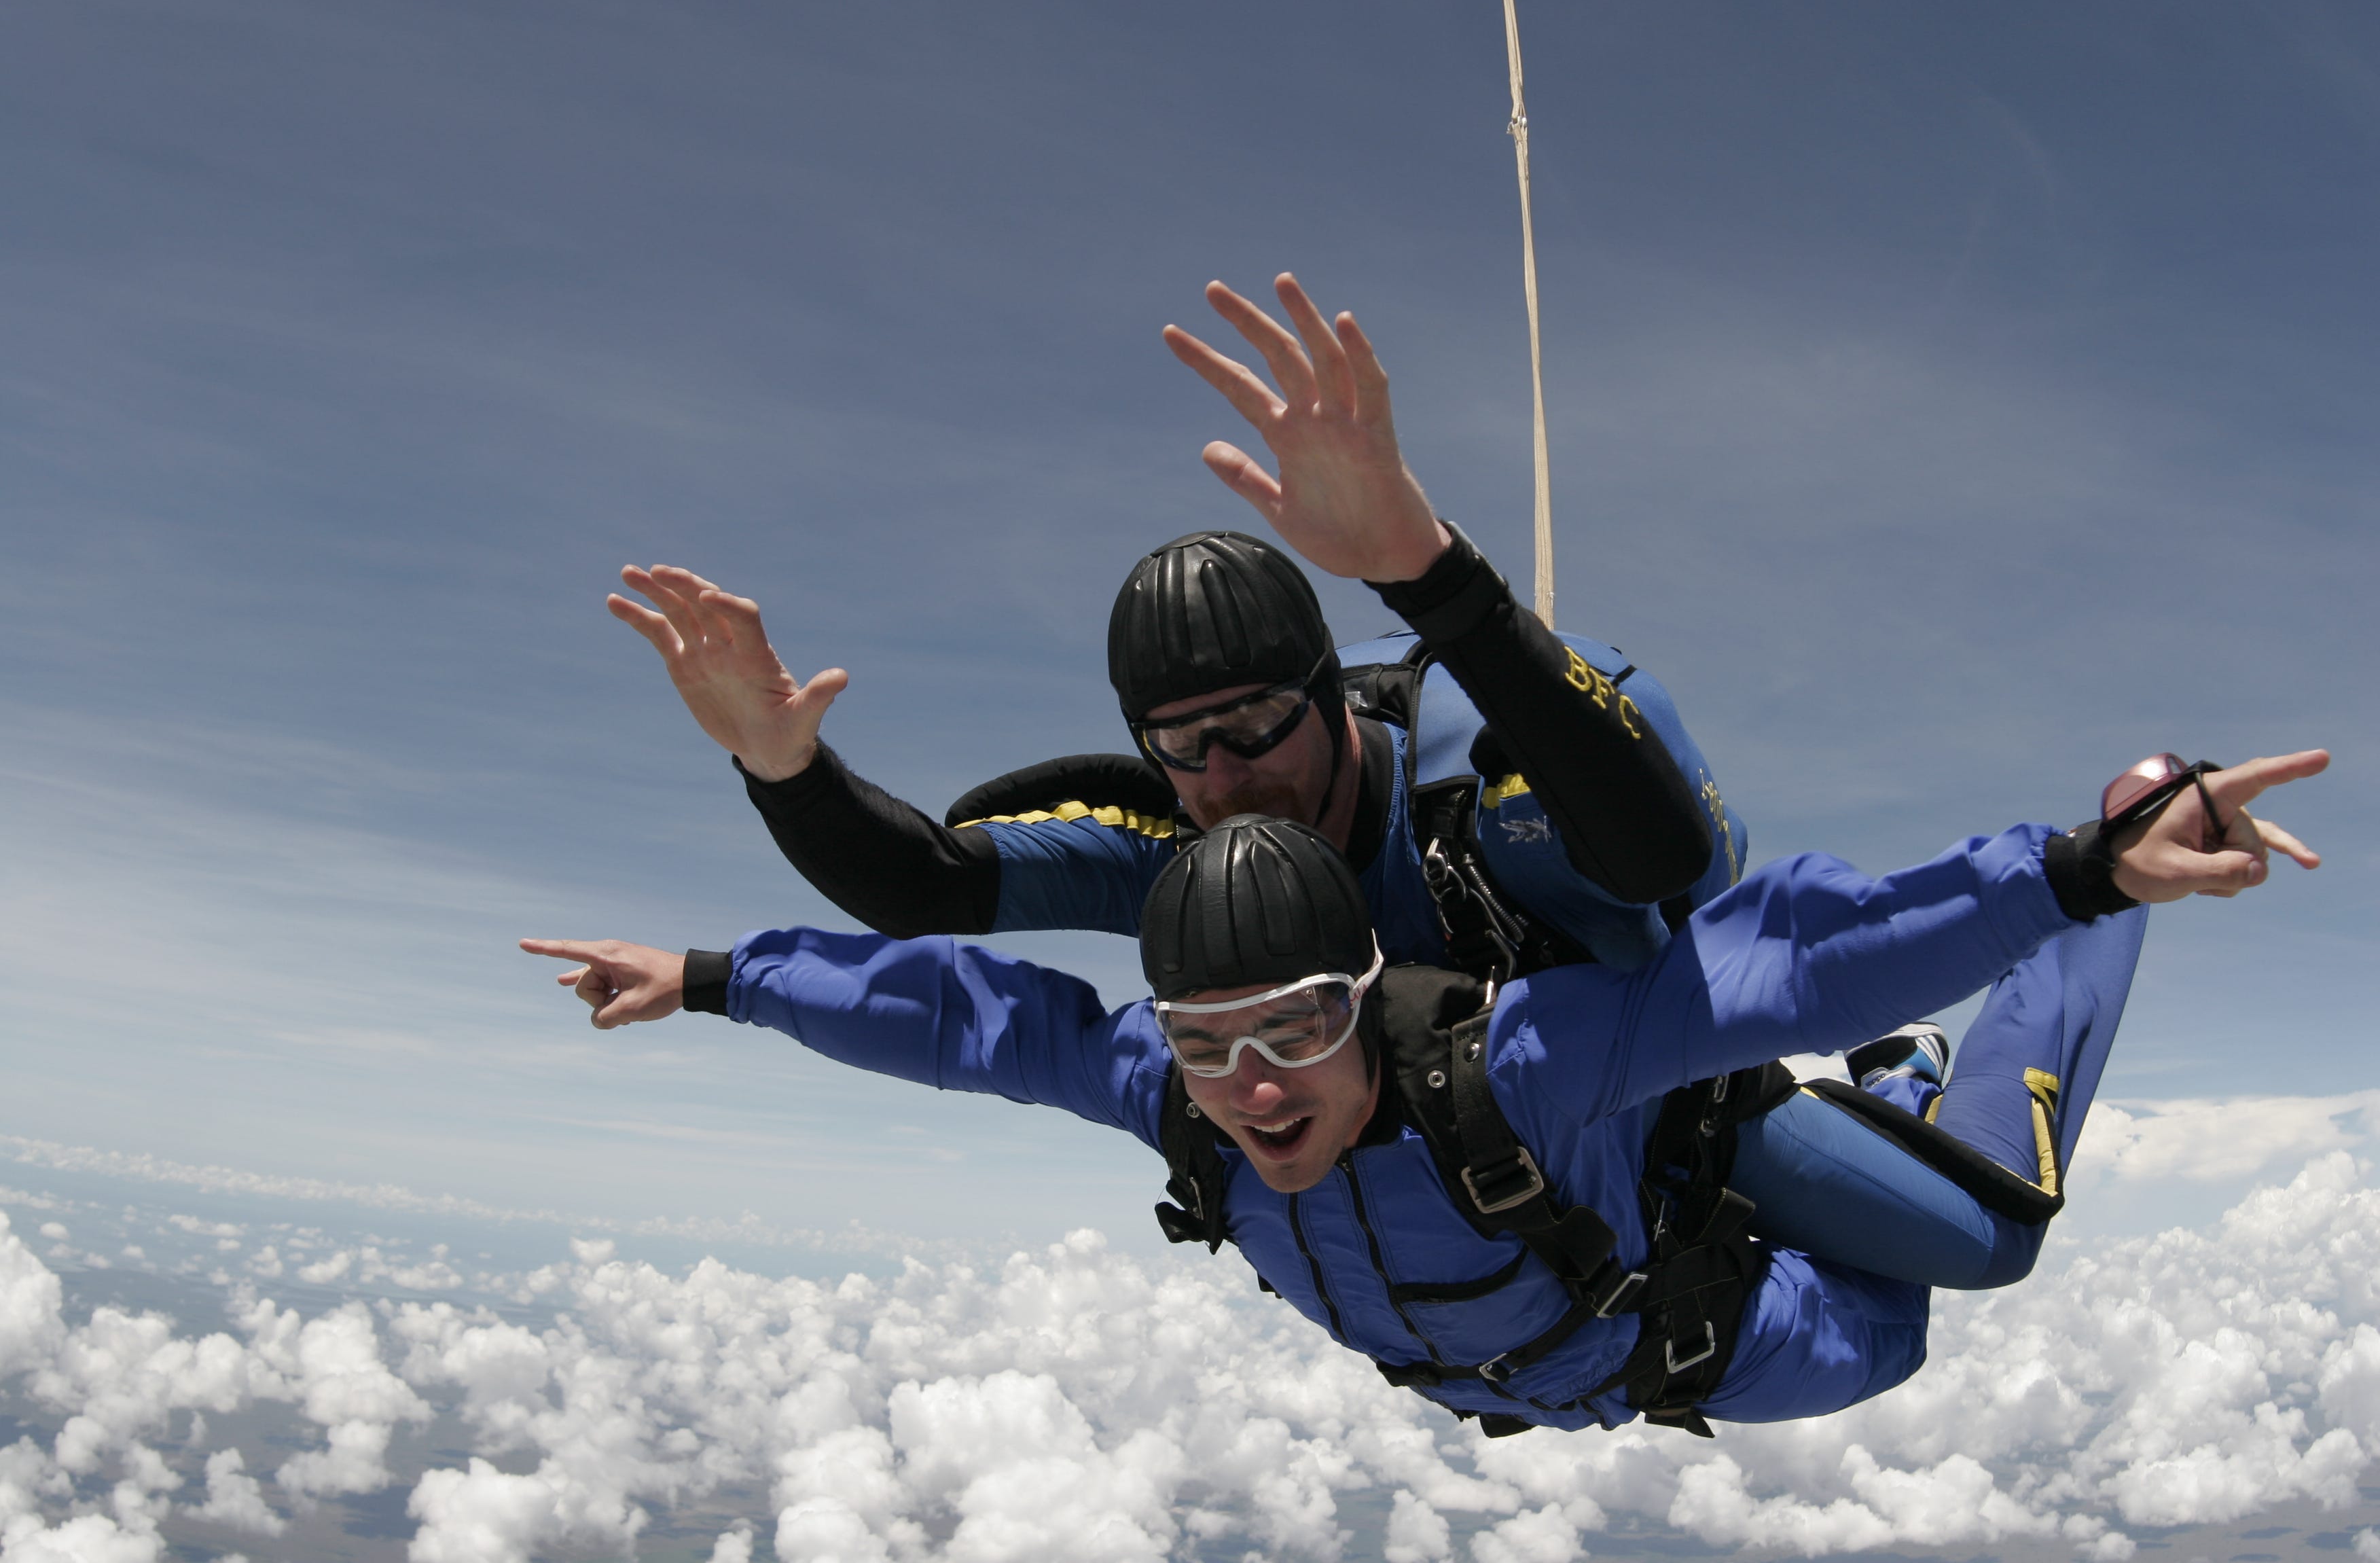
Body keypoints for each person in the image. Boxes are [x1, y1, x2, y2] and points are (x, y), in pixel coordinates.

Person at [520, 749, 2327, 1435]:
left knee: (1965, 1267)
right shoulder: (1178, 1091)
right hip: (1625, 1371)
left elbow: (1791, 956)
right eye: (1207, 1041)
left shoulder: (1511, 1068)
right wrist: (717, 977)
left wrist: (2080, 871)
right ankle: (1877, 1093)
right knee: (1906, 1308)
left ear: (1366, 1005)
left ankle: (1939, 1062)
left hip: (1717, 1330)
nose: (1252, 1090)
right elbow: (969, 1019)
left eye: (1294, 1029)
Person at [604, 275, 1746, 983]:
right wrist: (784, 771)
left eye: (1258, 720)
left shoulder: (1476, 776)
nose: (1226, 774)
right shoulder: (1182, 845)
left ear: (1326, 692)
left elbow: (1663, 856)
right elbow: (928, 891)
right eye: (1181, 744)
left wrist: (1430, 576)